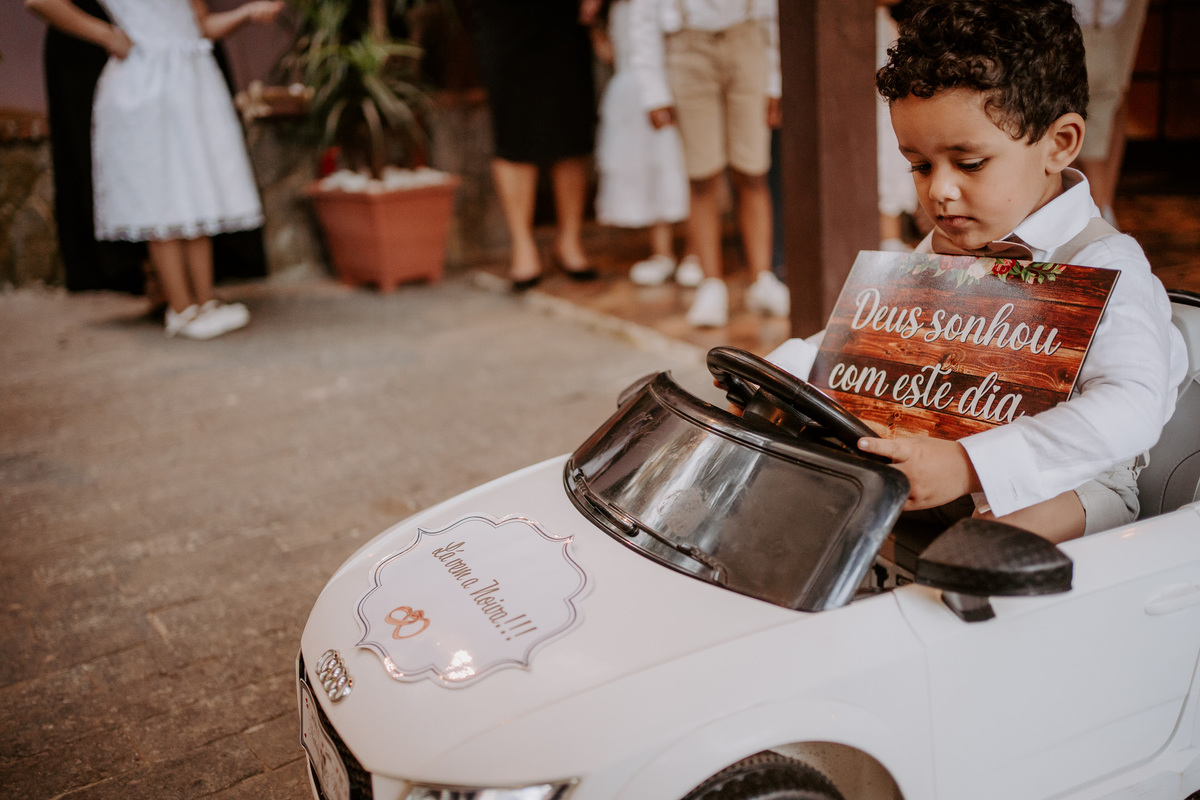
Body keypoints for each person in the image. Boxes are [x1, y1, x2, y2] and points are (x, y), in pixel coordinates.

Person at [767, 0, 1187, 542]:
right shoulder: (945, 246)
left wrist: (969, 465)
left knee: (975, 553)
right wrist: (785, 373)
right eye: (920, 166)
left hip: (1068, 485)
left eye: (969, 164)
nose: (939, 190)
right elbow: (860, 343)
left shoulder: (1105, 262)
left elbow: (1130, 408)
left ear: (1059, 144)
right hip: (934, 457)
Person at [25, 0, 281, 339]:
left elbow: (201, 26)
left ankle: (204, 300)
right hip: (145, 83)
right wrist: (106, 35)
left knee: (196, 190)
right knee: (158, 194)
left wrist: (246, 14)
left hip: (192, 82)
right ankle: (181, 307)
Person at [630, 0, 790, 328]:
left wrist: (776, 80)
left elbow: (773, 10)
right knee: (702, 176)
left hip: (747, 40)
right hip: (687, 47)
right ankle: (711, 284)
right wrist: (653, 91)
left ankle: (762, 279)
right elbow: (642, 15)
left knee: (753, 170)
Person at [473, 0, 599, 292]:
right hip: (505, 18)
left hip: (563, 16)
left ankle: (569, 241)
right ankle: (522, 244)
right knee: (513, 128)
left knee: (570, 124)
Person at [592, 0, 701, 288]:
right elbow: (610, 55)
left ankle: (696, 251)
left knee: (686, 166)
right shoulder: (616, 10)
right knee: (648, 170)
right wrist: (593, 26)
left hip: (673, 85)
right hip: (631, 94)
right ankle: (661, 252)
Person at [1071, 0, 1150, 225]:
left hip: (1077, 48)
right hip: (1106, 46)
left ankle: (1098, 218)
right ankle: (1103, 212)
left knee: (1083, 151)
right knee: (1093, 151)